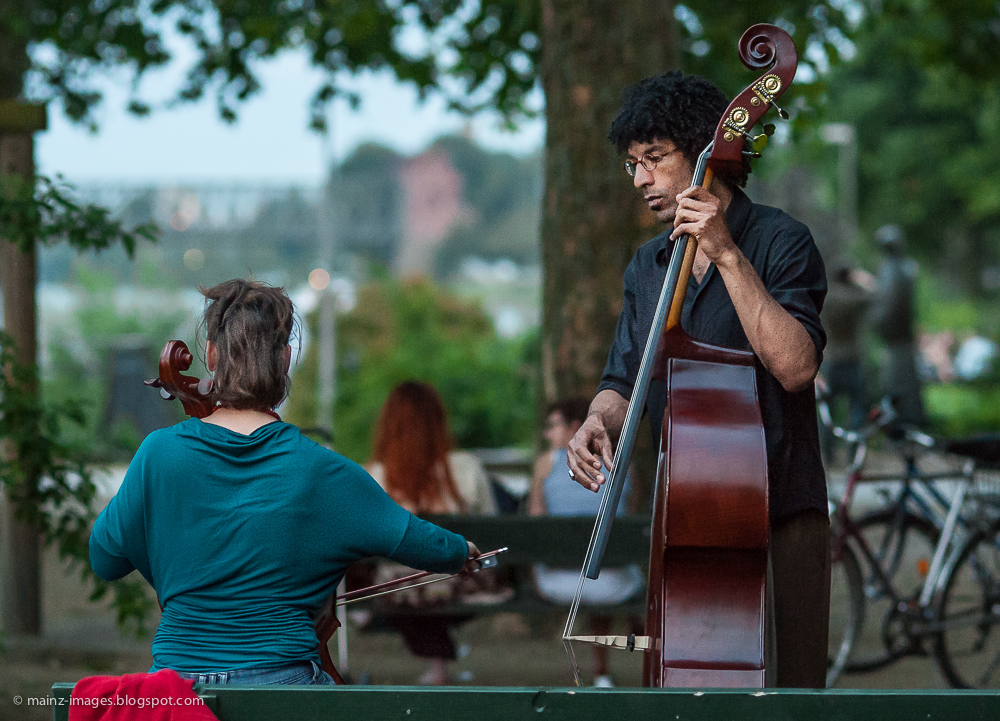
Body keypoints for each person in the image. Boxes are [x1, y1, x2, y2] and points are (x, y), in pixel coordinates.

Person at [566, 71, 830, 688]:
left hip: (780, 513)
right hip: (682, 518)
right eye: (632, 164)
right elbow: (620, 381)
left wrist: (726, 253)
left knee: (788, 693)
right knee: (684, 686)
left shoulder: (779, 240)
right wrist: (595, 422)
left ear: (707, 155)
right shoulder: (648, 264)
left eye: (654, 160)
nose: (639, 180)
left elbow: (795, 367)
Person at [89, 279, 480, 685]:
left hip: (178, 689)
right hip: (283, 687)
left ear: (211, 354)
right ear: (286, 358)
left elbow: (105, 559)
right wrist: (459, 552)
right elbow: (415, 540)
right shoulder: (322, 470)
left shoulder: (158, 454)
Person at [366, 381, 498, 685]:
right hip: (463, 580)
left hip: (400, 587)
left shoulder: (375, 473)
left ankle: (436, 667)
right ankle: (439, 665)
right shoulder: (466, 467)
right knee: (435, 578)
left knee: (407, 581)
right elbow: (491, 523)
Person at [529, 397, 643, 687]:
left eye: (553, 426)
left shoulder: (545, 464)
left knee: (592, 577)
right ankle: (602, 673)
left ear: (575, 428)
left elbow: (534, 526)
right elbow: (628, 523)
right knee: (608, 574)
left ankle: (590, 671)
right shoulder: (625, 464)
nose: (547, 434)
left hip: (556, 582)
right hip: (613, 584)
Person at [871, 224, 925, 427]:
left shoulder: (893, 269)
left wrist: (876, 319)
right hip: (898, 337)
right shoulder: (902, 268)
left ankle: (902, 423)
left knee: (899, 382)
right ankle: (903, 420)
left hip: (896, 337)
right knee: (901, 381)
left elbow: (888, 304)